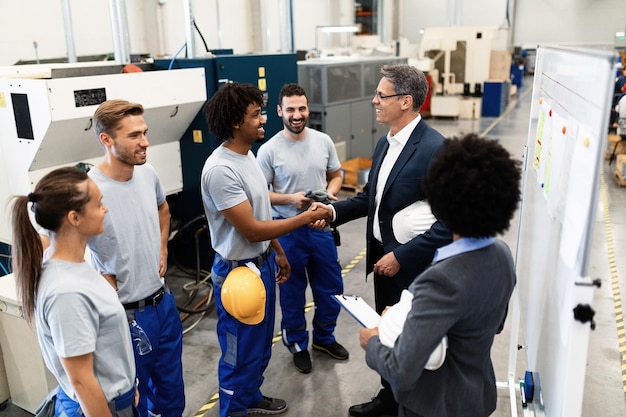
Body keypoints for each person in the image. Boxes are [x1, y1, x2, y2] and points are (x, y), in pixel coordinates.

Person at [322, 64, 453, 417]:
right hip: (383, 259)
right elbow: (370, 199)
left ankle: (413, 404)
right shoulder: (384, 143)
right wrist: (332, 213)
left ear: (406, 101)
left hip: (413, 268)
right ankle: (390, 398)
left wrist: (403, 256)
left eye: (382, 95)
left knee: (411, 338)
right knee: (386, 327)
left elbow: (450, 223)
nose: (374, 101)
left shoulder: (435, 149)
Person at [360, 133, 521, 417]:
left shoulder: (440, 280)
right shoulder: (502, 255)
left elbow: (401, 371)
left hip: (436, 406)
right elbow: (489, 325)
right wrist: (412, 318)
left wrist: (372, 341)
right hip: (478, 398)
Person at [200, 82, 331, 417]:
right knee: (237, 351)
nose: (262, 120)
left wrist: (278, 252)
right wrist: (304, 218)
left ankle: (249, 396)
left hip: (260, 263)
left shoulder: (248, 157)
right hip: (237, 273)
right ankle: (232, 410)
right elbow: (251, 227)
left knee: (258, 348)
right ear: (235, 123)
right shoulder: (221, 170)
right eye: (255, 115)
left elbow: (260, 215)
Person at [11, 167, 137, 417]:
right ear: (74, 218)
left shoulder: (75, 266)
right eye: (98, 204)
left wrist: (126, 387)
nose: (105, 209)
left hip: (113, 400)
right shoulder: (65, 292)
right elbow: (81, 380)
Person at [87, 99, 184, 417]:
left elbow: (162, 208)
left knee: (172, 396)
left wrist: (162, 248)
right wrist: (95, 278)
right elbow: (57, 248)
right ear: (107, 139)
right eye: (134, 136)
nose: (145, 142)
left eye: (145, 132)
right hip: (125, 317)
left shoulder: (148, 174)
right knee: (134, 403)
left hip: (163, 305)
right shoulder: (88, 189)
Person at [256, 83, 348, 374]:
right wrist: (289, 199)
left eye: (302, 108)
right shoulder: (269, 150)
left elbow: (336, 175)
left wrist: (331, 194)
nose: (297, 115)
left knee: (331, 289)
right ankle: (297, 344)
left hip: (320, 227)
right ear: (280, 111)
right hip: (287, 232)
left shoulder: (323, 141)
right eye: (291, 109)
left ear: (308, 110)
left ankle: (324, 338)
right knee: (293, 294)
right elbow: (260, 194)